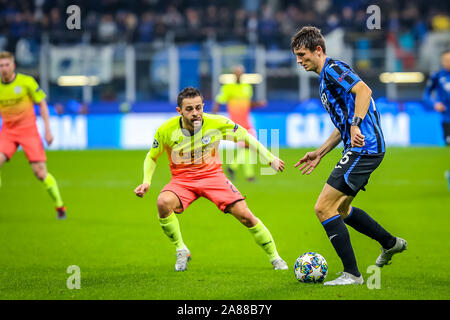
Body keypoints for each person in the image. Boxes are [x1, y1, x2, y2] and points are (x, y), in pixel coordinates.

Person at [291, 27, 407, 286]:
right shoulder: (324, 77)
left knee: (323, 208)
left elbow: (364, 91)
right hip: (360, 148)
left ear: (318, 50)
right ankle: (390, 243)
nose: (299, 60)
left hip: (364, 148)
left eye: (302, 54)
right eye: (297, 56)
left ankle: (352, 275)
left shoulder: (332, 69)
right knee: (341, 209)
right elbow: (342, 123)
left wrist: (355, 124)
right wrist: (320, 152)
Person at [134, 87, 288, 271]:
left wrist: (270, 158)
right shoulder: (166, 130)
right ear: (179, 111)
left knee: (245, 215)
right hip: (182, 180)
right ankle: (181, 249)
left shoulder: (216, 123)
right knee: (163, 203)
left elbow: (246, 137)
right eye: (189, 109)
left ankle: (276, 258)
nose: (195, 113)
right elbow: (152, 156)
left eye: (198, 107)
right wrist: (146, 181)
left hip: (213, 177)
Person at [0, 51, 66, 219]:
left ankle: (59, 205)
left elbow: (42, 104)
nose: (4, 68)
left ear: (13, 65)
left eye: (7, 64)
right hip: (7, 131)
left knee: (40, 174)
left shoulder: (26, 82)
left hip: (28, 131)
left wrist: (48, 130)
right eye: (1, 65)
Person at [212, 65, 266, 181]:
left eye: (240, 72)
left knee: (248, 148)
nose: (238, 75)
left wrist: (259, 104)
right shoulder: (227, 88)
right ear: (233, 74)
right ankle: (242, 171)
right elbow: (218, 102)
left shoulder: (247, 87)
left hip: (246, 122)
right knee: (249, 146)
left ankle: (244, 172)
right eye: (236, 72)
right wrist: (213, 117)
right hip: (236, 124)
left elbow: (248, 104)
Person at [423, 50, 450, 189]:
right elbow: (426, 95)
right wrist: (435, 104)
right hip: (447, 119)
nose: (448, 62)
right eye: (446, 60)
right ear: (442, 61)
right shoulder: (437, 76)